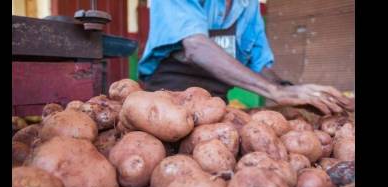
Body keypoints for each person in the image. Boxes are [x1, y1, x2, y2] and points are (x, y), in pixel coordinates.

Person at [138, 0, 353, 114]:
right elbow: (195, 46)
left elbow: (257, 63)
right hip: (166, 106)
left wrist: (294, 90)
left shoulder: (247, 4)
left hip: (215, 109)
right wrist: (275, 91)